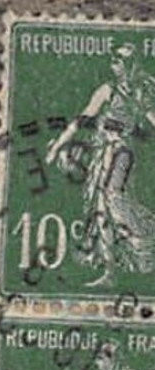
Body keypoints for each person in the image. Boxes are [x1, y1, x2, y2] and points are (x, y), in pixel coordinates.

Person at [45, 43, 155, 287]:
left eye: (120, 60)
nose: (114, 63)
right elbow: (82, 119)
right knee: (100, 207)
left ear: (130, 64)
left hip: (122, 153)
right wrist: (56, 146)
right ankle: (109, 271)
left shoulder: (140, 93)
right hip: (100, 153)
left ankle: (147, 233)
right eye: (113, 59)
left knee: (113, 197)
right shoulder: (106, 90)